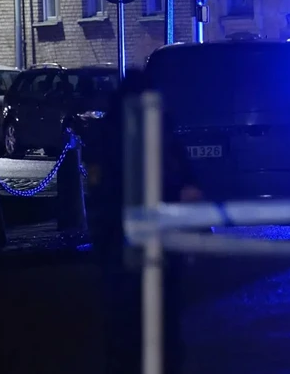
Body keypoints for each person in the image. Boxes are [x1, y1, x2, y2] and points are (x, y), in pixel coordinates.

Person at [84, 69, 203, 374]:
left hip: (139, 248)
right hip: (139, 248)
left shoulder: (119, 136)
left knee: (139, 331)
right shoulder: (132, 137)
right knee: (147, 331)